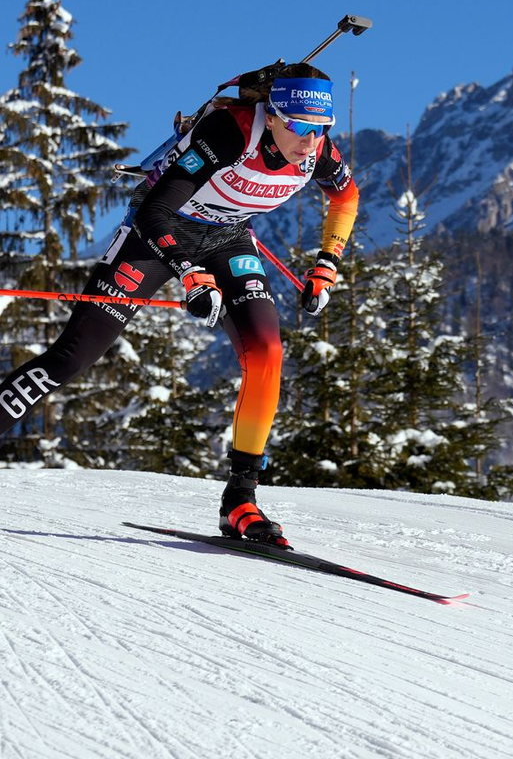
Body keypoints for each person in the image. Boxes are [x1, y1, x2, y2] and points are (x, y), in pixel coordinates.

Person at [0, 62, 359, 547]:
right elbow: (155, 209)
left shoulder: (318, 154)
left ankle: (240, 501)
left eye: (319, 130)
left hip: (227, 240)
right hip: (155, 238)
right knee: (73, 357)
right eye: (297, 126)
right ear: (270, 115)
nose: (308, 142)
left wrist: (327, 263)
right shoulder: (229, 133)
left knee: (267, 352)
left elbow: (347, 197)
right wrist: (189, 272)